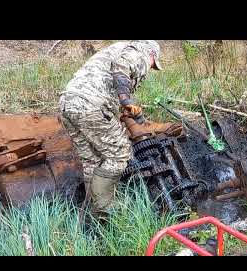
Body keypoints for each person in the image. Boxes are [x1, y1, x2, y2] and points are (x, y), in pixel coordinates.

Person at [59, 40, 178, 217]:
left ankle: (93, 214)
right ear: (152, 55)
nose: (151, 67)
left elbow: (109, 82)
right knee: (119, 153)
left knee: (92, 160)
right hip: (92, 104)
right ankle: (105, 210)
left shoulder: (114, 50)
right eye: (153, 65)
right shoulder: (140, 52)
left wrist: (123, 108)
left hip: (68, 104)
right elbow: (121, 68)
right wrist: (126, 100)